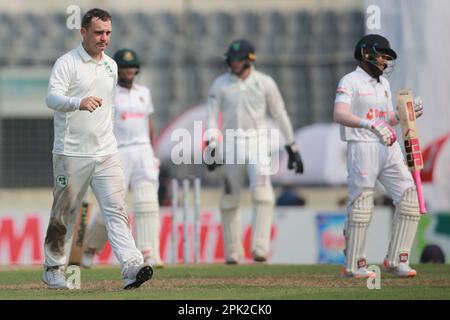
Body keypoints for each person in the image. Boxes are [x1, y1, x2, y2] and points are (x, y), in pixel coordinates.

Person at [43, 8, 152, 289]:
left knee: (116, 210)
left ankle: (131, 266)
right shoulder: (67, 63)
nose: (104, 38)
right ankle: (54, 267)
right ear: (83, 32)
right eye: (98, 32)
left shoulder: (111, 66)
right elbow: (52, 97)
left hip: (106, 152)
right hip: (71, 153)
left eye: (108, 33)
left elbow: (109, 107)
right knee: (64, 213)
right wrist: (77, 102)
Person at [205, 39, 304, 264]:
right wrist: (211, 145)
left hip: (258, 143)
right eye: (231, 60)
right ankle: (233, 251)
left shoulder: (265, 82)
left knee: (262, 192)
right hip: (230, 144)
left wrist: (292, 146)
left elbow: (279, 114)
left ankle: (260, 247)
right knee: (230, 197)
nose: (233, 64)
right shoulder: (220, 84)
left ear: (250, 60)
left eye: (237, 60)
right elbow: (211, 117)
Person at [333, 34, 424, 278]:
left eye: (387, 57)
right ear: (365, 54)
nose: (384, 61)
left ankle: (397, 260)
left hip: (388, 146)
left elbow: (386, 119)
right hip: (362, 146)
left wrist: (405, 113)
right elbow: (339, 114)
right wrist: (369, 124)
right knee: (363, 205)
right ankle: (354, 265)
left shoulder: (383, 83)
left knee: (409, 198)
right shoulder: (350, 81)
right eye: (381, 55)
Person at [81, 48, 164, 268]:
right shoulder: (108, 92)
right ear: (118, 70)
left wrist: (151, 151)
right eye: (124, 67)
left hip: (143, 150)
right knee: (113, 206)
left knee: (147, 202)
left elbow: (148, 124)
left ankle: (149, 253)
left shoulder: (144, 92)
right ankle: (89, 248)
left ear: (137, 69)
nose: (128, 71)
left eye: (132, 67)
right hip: (117, 151)